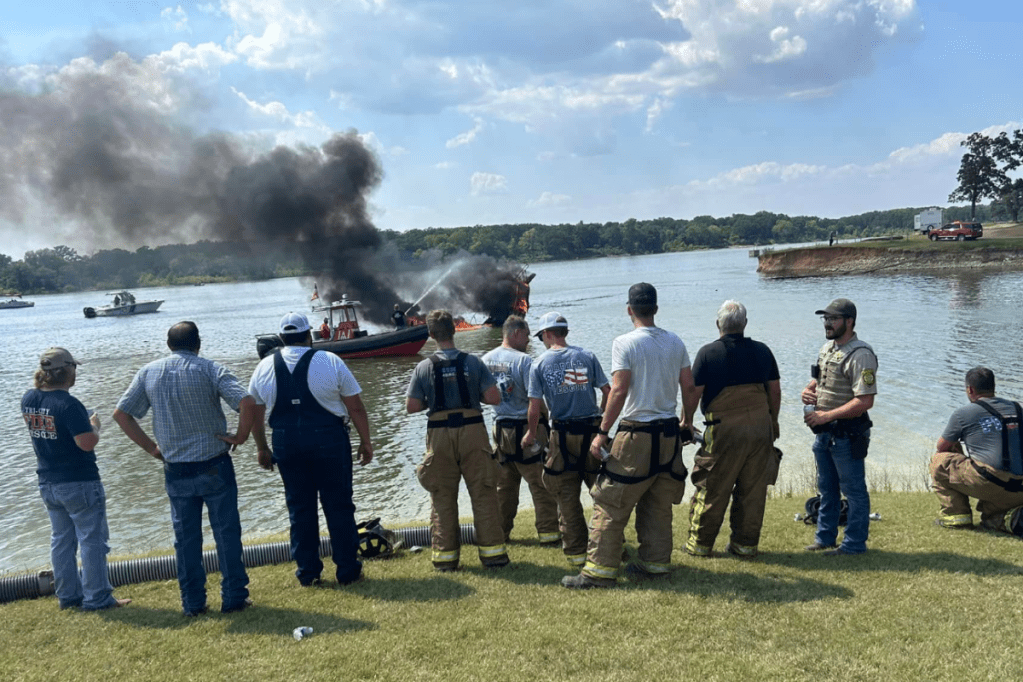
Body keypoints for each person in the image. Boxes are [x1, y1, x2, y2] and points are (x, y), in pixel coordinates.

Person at [113, 321, 257, 616]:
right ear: (198, 343)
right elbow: (246, 401)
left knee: (186, 538)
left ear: (168, 344)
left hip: (176, 467)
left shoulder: (148, 372)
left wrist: (152, 448)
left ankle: (192, 603)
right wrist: (240, 437)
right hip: (214, 463)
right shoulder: (210, 369)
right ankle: (233, 598)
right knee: (226, 533)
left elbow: (122, 414)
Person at [563, 283, 694, 589]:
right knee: (658, 502)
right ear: (656, 309)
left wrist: (602, 433)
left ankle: (598, 572)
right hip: (668, 434)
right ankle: (656, 564)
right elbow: (689, 386)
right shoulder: (675, 341)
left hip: (637, 433)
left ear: (629, 310)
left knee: (611, 500)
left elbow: (619, 390)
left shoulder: (624, 343)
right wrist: (686, 421)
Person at [248, 312, 374, 586]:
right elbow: (355, 407)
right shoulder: (330, 360)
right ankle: (347, 570)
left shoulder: (264, 367)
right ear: (309, 336)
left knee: (300, 509)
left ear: (281, 338)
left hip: (286, 443)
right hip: (328, 440)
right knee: (338, 506)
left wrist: (261, 448)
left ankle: (308, 573)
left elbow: (256, 415)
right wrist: (366, 442)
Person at [21, 348, 130, 611]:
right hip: (78, 481)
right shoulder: (69, 404)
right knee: (92, 540)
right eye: (74, 368)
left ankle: (68, 596)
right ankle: (97, 598)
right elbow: (86, 443)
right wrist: (94, 425)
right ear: (67, 371)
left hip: (48, 481)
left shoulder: (29, 398)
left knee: (61, 540)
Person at [406, 309, 509, 571]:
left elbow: (412, 406)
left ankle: (446, 560)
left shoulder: (423, 366)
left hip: (439, 433)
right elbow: (494, 398)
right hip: (473, 431)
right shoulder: (473, 362)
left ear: (431, 334)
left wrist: (434, 398)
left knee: (442, 496)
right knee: (484, 493)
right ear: (454, 330)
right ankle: (494, 557)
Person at [684, 300, 781, 559]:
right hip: (761, 428)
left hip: (724, 430)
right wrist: (773, 421)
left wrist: (686, 421)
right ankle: (745, 546)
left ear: (718, 325)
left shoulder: (708, 353)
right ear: (745, 324)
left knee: (713, 486)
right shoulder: (763, 351)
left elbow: (693, 393)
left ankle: (700, 546)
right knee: (753, 490)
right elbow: (775, 390)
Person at [522, 311, 610, 568]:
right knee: (602, 493)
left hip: (561, 436)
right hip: (592, 432)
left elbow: (534, 407)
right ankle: (607, 547)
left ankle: (576, 554)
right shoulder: (587, 356)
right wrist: (602, 418)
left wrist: (529, 433)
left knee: (566, 495)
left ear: (548, 334)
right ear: (565, 332)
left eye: (542, 337)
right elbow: (608, 390)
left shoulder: (539, 364)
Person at [801, 298, 877, 555]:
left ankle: (854, 544)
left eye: (833, 319)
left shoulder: (861, 354)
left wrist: (826, 416)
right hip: (824, 433)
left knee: (854, 491)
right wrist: (809, 391)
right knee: (826, 489)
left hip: (847, 434)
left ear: (849, 321)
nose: (828, 323)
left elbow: (865, 401)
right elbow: (819, 380)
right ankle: (825, 538)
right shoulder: (827, 349)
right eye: (826, 319)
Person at [482, 315, 561, 546]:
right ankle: (549, 534)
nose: (528, 341)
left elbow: (484, 397)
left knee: (504, 487)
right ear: (516, 333)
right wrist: (544, 427)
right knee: (540, 484)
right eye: (526, 336)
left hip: (500, 431)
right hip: (527, 430)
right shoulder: (525, 362)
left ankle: (500, 533)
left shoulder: (485, 360)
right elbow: (535, 401)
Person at [930, 367, 1023, 530]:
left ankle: (957, 515)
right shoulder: (1016, 408)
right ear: (993, 387)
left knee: (939, 461)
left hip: (990, 483)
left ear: (970, 389)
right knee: (990, 519)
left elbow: (941, 447)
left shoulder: (963, 413)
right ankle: (1009, 519)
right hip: (1019, 487)